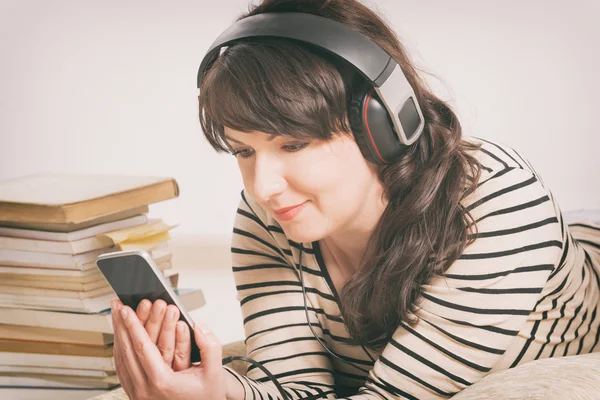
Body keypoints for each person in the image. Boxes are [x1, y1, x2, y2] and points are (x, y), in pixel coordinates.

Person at [109, 0, 600, 399]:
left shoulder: (491, 202)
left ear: (384, 124)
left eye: (293, 144)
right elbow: (295, 387)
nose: (263, 187)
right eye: (244, 150)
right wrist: (219, 393)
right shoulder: (267, 218)